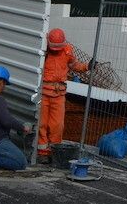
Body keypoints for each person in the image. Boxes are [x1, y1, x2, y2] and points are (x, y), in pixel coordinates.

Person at [38, 28, 89, 159]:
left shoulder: (67, 50)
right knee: (41, 123)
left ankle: (55, 151)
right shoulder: (43, 50)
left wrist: (87, 67)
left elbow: (74, 65)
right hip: (43, 93)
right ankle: (42, 151)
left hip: (58, 93)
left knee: (57, 125)